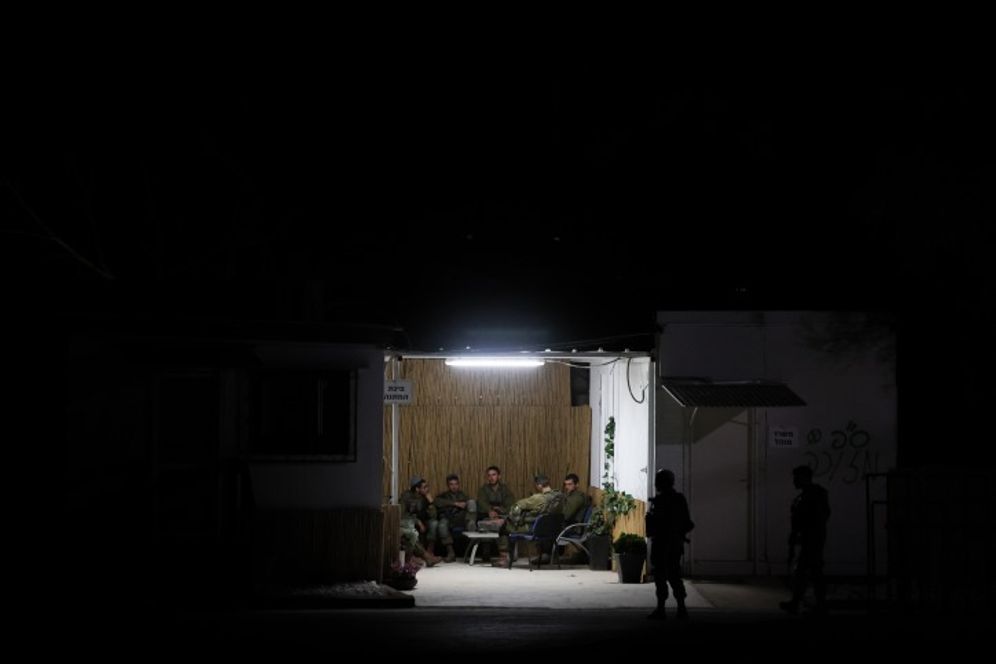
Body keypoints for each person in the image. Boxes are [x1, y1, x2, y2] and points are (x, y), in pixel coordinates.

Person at [780, 465, 831, 615]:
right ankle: (803, 603)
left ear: (803, 478)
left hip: (813, 539)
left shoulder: (813, 495)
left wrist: (803, 534)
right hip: (811, 538)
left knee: (811, 571)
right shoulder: (808, 495)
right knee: (808, 571)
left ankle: (814, 604)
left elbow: (819, 517)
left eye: (796, 478)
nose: (794, 481)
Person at [645, 468, 693, 621]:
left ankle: (666, 608)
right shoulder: (678, 499)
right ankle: (679, 608)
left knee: (664, 575)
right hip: (672, 543)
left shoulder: (661, 501)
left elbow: (685, 523)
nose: (656, 484)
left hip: (664, 543)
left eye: (658, 481)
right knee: (672, 575)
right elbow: (687, 523)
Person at [498, 474, 565, 567]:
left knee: (504, 528)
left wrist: (514, 518)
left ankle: (505, 558)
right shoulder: (559, 497)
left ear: (539, 486)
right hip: (551, 531)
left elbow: (517, 506)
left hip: (534, 529)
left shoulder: (538, 498)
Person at [435, 473, 477, 562]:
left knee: (471, 503)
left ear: (458, 484)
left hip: (461, 518)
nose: (454, 486)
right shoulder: (444, 495)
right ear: (448, 485)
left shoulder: (463, 495)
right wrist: (455, 504)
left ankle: (471, 524)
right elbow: (437, 502)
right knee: (442, 525)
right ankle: (451, 553)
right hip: (448, 518)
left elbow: (470, 505)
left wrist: (466, 505)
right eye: (451, 484)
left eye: (456, 484)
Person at [400, 476, 441, 566]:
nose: (427, 489)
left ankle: (429, 553)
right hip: (410, 522)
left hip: (424, 521)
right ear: (417, 489)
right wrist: (417, 521)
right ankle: (426, 557)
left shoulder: (424, 497)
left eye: (427, 486)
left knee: (433, 523)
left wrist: (430, 502)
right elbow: (403, 515)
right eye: (424, 487)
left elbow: (434, 515)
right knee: (411, 531)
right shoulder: (407, 496)